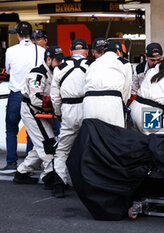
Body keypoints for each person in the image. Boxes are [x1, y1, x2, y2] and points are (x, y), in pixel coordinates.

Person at [13, 46, 64, 186]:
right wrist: (57, 102)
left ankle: (21, 173)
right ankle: (49, 175)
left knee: (40, 144)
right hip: (32, 110)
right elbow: (36, 99)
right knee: (47, 143)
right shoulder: (37, 74)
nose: (60, 63)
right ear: (48, 59)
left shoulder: (54, 72)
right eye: (57, 61)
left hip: (42, 111)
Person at [0, 21, 45, 173]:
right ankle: (29, 163)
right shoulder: (41, 51)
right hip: (33, 95)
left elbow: (8, 69)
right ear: (32, 35)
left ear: (17, 34)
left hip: (16, 94)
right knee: (31, 130)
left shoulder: (11, 51)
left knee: (11, 129)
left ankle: (11, 162)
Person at [50, 39, 91, 198]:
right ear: (87, 52)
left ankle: (59, 184)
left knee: (63, 149)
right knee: (90, 147)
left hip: (68, 109)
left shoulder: (60, 68)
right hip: (87, 107)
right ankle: (89, 184)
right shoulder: (91, 66)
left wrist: (59, 112)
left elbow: (55, 96)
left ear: (70, 51)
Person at [83, 40, 132, 127]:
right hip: (111, 102)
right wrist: (121, 103)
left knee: (93, 136)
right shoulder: (124, 63)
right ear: (118, 52)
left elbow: (85, 85)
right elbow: (126, 89)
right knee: (114, 136)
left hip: (89, 103)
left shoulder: (93, 63)